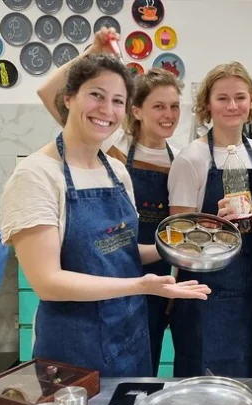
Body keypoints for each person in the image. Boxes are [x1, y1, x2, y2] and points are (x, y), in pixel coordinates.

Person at [0, 53, 210, 377]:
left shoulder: (116, 171)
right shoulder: (36, 175)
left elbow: (120, 250)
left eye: (117, 101)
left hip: (130, 336)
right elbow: (48, 283)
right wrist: (139, 285)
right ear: (68, 98)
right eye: (96, 95)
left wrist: (179, 247)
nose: (107, 110)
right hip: (73, 348)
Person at [37, 28, 184, 376]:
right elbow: (50, 94)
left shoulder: (178, 159)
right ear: (136, 111)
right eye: (158, 106)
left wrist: (179, 258)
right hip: (95, 290)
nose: (168, 114)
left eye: (175, 106)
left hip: (145, 267)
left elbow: (163, 231)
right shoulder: (108, 145)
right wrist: (93, 51)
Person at [167, 61, 252, 377]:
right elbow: (176, 238)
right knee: (205, 377)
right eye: (222, 98)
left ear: (251, 102)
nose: (232, 106)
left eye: (240, 97)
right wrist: (212, 226)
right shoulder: (191, 158)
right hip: (206, 295)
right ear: (207, 105)